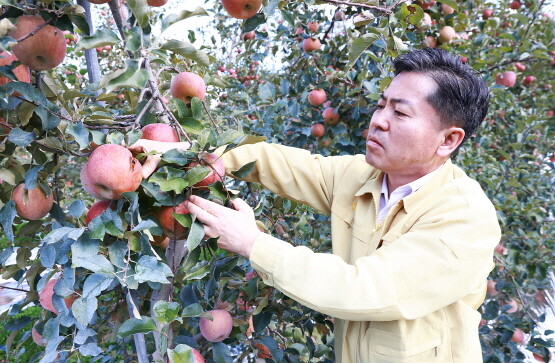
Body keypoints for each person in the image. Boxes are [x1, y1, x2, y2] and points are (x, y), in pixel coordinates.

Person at [134, 48, 501, 363]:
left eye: (400, 114)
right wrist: (195, 156)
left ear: (448, 140)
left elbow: (367, 290)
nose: (378, 121)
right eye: (380, 105)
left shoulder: (465, 218)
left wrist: (252, 243)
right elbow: (278, 163)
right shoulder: (363, 177)